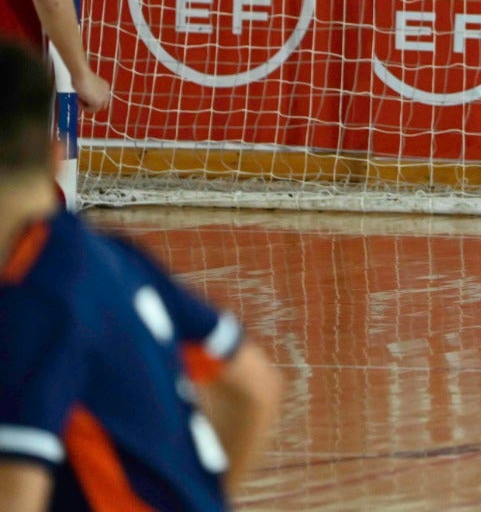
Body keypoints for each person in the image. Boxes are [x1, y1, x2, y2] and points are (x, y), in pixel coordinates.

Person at [0, 40, 281, 510]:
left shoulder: (32, 303)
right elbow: (256, 386)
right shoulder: (111, 252)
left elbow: (15, 497)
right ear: (53, 154)